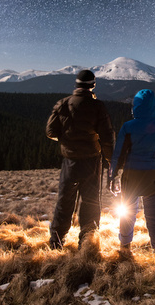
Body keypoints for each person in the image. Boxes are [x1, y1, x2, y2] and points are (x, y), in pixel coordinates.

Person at [46, 69, 115, 250]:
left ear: (76, 85)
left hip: (69, 162)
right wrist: (111, 160)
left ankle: (56, 243)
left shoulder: (63, 104)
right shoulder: (97, 106)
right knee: (91, 202)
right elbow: (107, 136)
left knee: (64, 201)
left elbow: (50, 132)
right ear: (92, 85)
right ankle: (87, 244)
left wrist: (67, 139)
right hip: (91, 162)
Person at [109, 89, 155, 264]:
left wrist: (112, 176)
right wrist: (154, 147)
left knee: (128, 213)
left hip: (131, 177)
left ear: (136, 106)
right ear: (153, 105)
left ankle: (125, 247)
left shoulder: (127, 127)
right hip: (151, 176)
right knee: (153, 215)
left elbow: (118, 155)